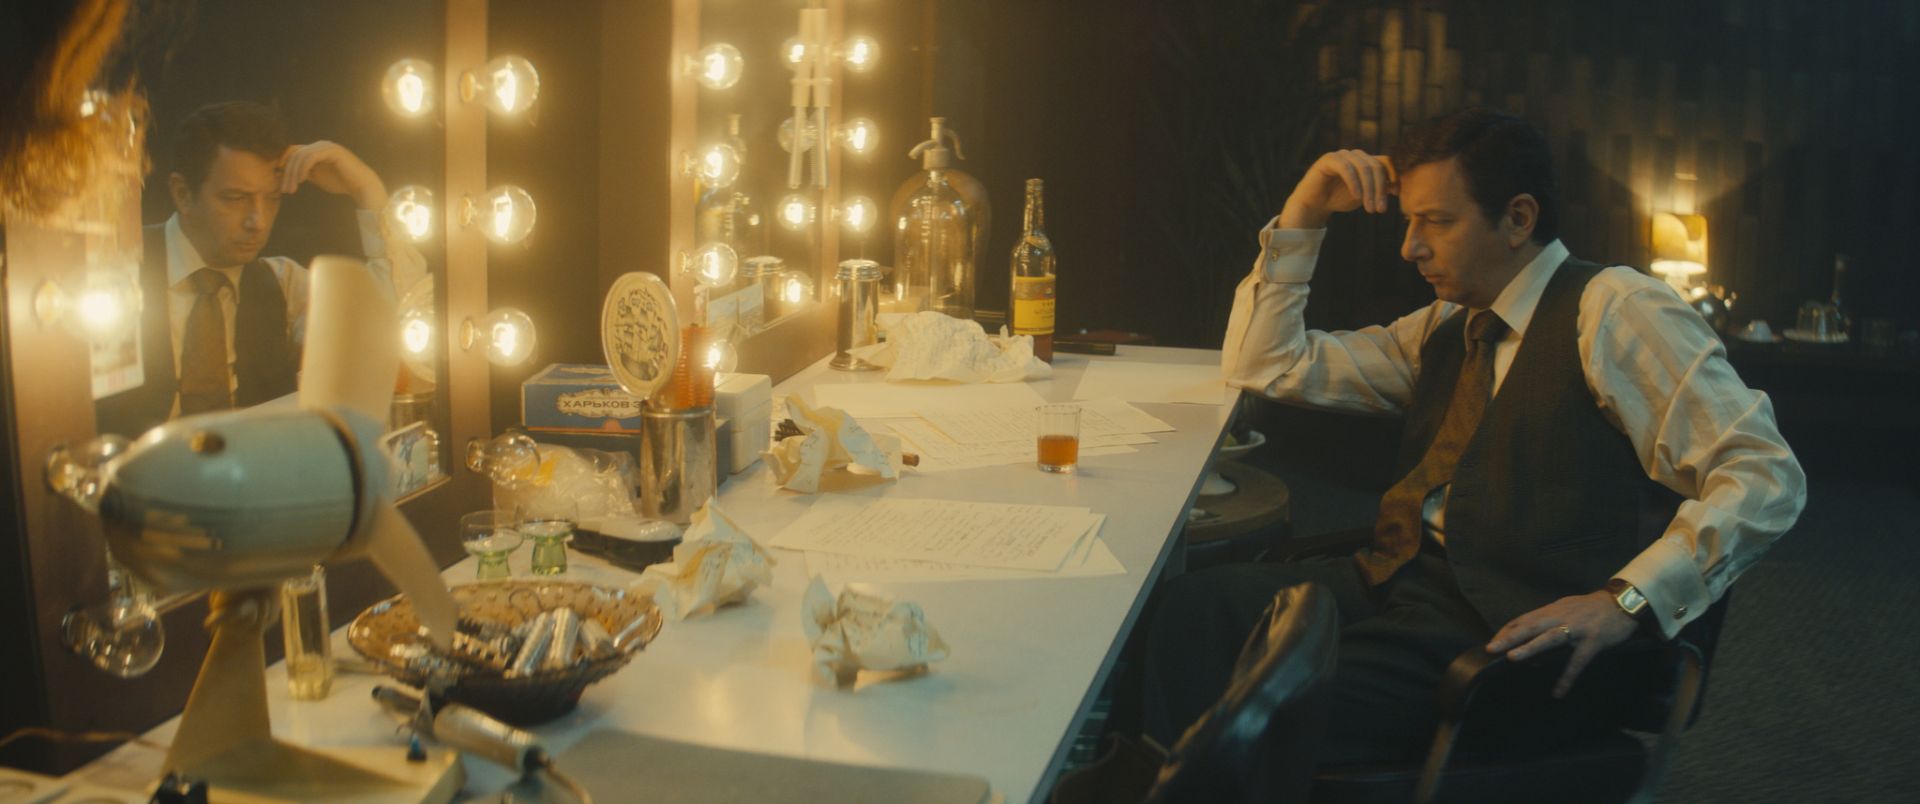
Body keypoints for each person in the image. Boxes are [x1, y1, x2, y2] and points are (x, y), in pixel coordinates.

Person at [1133, 107, 1806, 765]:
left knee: (1270, 702)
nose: (1411, 248)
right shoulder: (1449, 324)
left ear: (1519, 218)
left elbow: (1764, 474)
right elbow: (1268, 365)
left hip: (1508, 628)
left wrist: (1628, 600)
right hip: (1400, 582)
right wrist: (1304, 212)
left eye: (1437, 221)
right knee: (1191, 610)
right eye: (1410, 221)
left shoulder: (1614, 309)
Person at [95, 100, 423, 436]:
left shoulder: (283, 284)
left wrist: (366, 190)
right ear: (182, 194)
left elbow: (399, 333)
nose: (258, 221)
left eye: (272, 199)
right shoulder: (113, 274)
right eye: (236, 199)